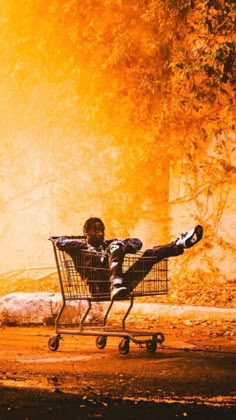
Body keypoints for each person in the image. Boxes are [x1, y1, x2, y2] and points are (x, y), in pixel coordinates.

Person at [56, 217, 203, 300]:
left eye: (102, 230)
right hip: (99, 289)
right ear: (86, 232)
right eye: (96, 230)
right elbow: (59, 241)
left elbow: (137, 242)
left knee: (148, 255)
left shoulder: (108, 244)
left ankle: (178, 244)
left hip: (122, 288)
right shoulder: (79, 249)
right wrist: (83, 244)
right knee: (115, 246)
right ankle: (115, 284)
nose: (101, 234)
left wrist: (127, 246)